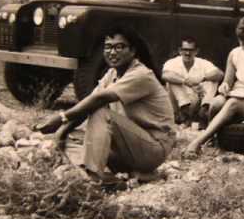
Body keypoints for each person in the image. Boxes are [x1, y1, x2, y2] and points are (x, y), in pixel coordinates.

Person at [35, 23, 176, 187]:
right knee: (73, 139)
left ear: (132, 51)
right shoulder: (113, 73)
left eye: (119, 47)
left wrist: (61, 118)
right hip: (129, 146)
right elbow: (89, 103)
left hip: (154, 148)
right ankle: (119, 179)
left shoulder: (141, 74)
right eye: (108, 47)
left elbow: (99, 100)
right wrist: (61, 133)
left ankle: (93, 178)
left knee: (102, 112)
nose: (112, 52)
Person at [184, 16, 244, 157]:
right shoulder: (234, 54)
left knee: (232, 104)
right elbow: (227, 82)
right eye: (241, 43)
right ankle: (213, 139)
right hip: (238, 93)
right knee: (215, 104)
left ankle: (198, 142)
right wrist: (224, 87)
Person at [162, 37, 224, 128]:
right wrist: (186, 82)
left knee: (212, 79)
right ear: (180, 50)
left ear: (196, 51)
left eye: (191, 50)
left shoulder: (202, 63)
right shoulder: (172, 63)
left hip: (196, 103)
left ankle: (204, 110)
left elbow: (220, 74)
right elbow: (165, 75)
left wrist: (201, 79)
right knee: (172, 80)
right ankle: (184, 112)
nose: (187, 53)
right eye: (185, 50)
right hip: (177, 105)